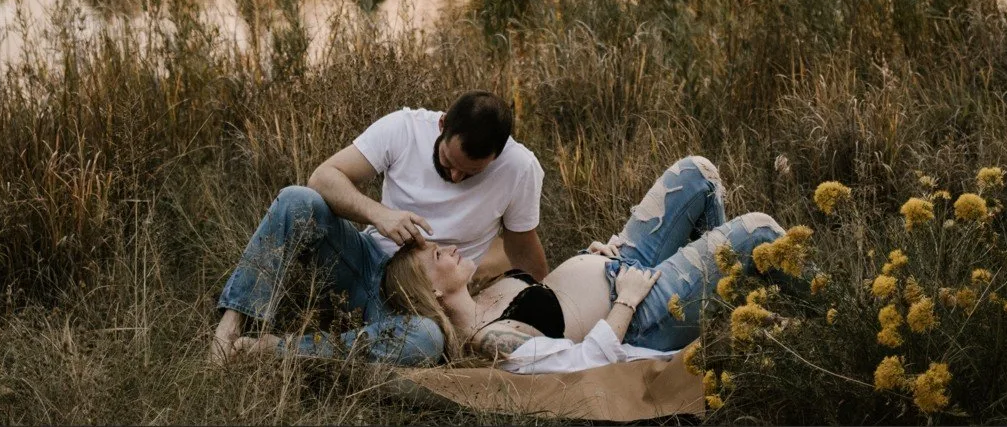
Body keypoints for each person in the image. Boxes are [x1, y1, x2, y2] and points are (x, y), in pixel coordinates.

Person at [210, 90, 547, 365]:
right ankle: (230, 327)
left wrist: (553, 305)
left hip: (424, 303)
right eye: (447, 162)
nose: (456, 177)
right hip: (361, 264)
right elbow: (324, 177)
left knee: (425, 340)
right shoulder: (404, 128)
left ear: (498, 155)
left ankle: (278, 349)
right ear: (442, 125)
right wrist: (379, 215)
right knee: (297, 200)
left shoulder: (519, 169)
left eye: (470, 172)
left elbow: (522, 249)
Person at [374, 155, 785, 373]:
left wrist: (590, 260)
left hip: (620, 264)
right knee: (760, 231)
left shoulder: (483, 294)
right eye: (434, 257)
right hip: (642, 313)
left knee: (699, 174)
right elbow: (585, 360)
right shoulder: (491, 343)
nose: (445, 248)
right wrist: (625, 299)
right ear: (432, 292)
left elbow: (558, 295)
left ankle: (733, 309)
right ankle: (827, 318)